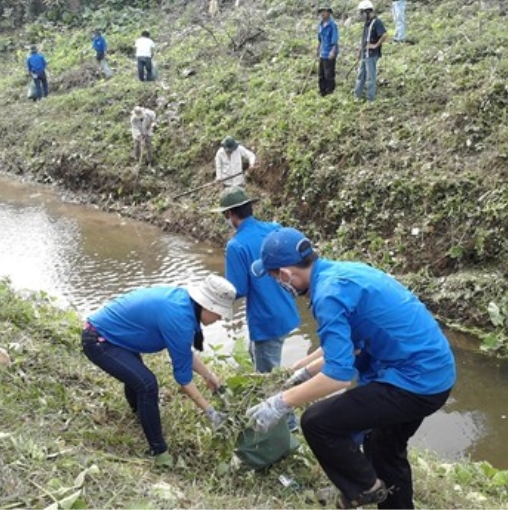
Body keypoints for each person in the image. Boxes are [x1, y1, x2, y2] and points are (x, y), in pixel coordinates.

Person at [246, 227, 456, 509]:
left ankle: (364, 489)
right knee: (384, 449)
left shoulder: (328, 295)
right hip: (436, 372)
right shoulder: (341, 274)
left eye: (273, 277)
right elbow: (348, 347)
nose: (277, 283)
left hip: (414, 382)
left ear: (285, 274)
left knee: (317, 422)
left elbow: (339, 374)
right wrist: (304, 372)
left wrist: (280, 402)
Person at [82, 274, 235, 465]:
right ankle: (159, 452)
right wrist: (211, 412)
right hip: (100, 340)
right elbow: (184, 380)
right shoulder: (179, 317)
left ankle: (140, 414)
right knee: (147, 385)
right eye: (219, 313)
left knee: (138, 377)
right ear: (208, 306)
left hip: (119, 339)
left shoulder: (184, 304)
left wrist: (209, 376)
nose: (220, 318)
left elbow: (183, 352)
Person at [211, 187, 300, 374]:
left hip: (266, 320)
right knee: (257, 353)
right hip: (286, 311)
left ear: (229, 214)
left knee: (268, 376)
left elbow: (238, 289)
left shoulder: (236, 245)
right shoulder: (274, 229)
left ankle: (278, 400)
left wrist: (214, 294)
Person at [354, 1, 388, 102]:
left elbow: (384, 35)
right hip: (365, 54)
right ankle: (357, 95)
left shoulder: (377, 22)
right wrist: (360, 50)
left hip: (372, 54)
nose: (361, 16)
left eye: (362, 13)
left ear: (367, 11)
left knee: (370, 77)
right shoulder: (367, 23)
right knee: (361, 75)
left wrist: (375, 45)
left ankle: (370, 99)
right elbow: (364, 39)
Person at [316, 5, 338, 97]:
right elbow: (320, 39)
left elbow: (335, 40)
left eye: (324, 12)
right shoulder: (320, 24)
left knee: (329, 74)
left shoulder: (332, 25)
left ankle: (330, 92)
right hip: (322, 52)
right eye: (321, 12)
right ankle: (322, 92)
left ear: (328, 13)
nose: (322, 14)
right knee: (321, 74)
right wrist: (317, 49)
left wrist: (333, 51)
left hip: (329, 53)